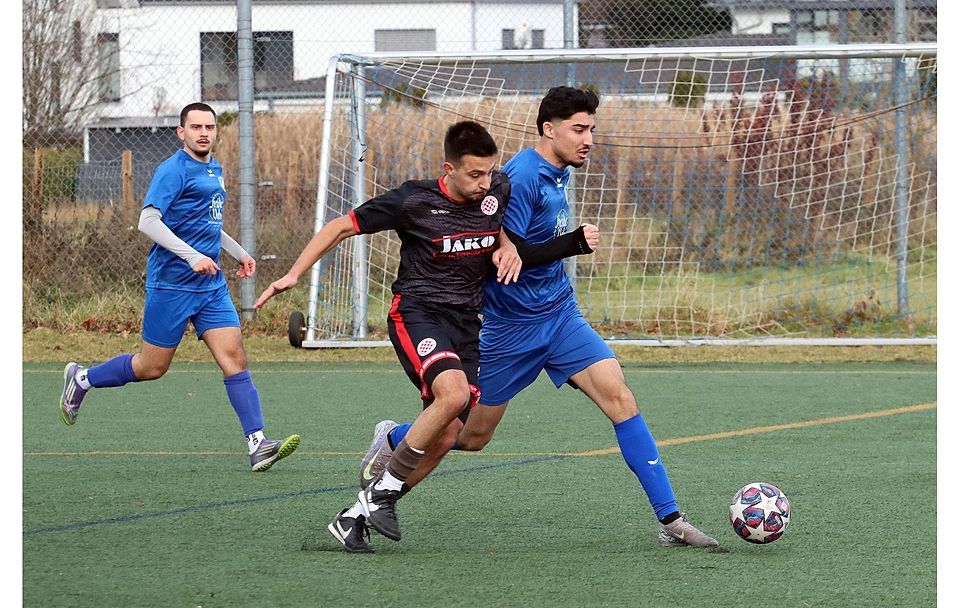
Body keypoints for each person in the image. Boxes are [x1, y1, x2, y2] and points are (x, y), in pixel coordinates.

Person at [360, 86, 719, 550]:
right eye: (579, 129)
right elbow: (499, 254)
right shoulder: (520, 177)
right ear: (549, 129)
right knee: (468, 436)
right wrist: (572, 242)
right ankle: (393, 442)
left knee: (621, 399)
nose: (589, 138)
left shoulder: (558, 171)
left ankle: (672, 521)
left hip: (561, 316)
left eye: (592, 128)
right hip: (510, 330)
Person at [254, 121, 531, 553]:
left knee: (455, 437)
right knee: (453, 395)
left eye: (489, 173)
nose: (484, 183)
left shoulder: (498, 190)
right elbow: (340, 227)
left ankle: (355, 517)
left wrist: (507, 242)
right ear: (449, 169)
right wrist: (293, 274)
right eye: (474, 175)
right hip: (418, 314)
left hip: (467, 325)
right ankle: (382, 495)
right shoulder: (413, 200)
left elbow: (496, 225)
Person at [58, 102, 300, 472]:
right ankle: (83, 378)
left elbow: (206, 224)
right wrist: (190, 256)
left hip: (211, 286)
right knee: (151, 367)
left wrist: (237, 252)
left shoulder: (214, 168)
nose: (204, 133)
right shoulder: (172, 170)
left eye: (210, 127)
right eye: (196, 127)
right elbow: (148, 221)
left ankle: (257, 443)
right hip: (171, 286)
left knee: (234, 357)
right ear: (181, 132)